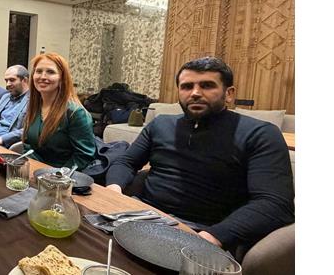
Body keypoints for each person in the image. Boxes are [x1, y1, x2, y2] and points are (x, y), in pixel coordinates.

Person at [105, 57, 294, 253]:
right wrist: (113, 191)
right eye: (187, 87)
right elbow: (126, 162)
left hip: (203, 232)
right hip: (141, 215)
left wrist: (212, 237)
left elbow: (275, 204)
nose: (195, 93)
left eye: (207, 85)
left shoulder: (260, 134)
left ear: (229, 94)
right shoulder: (161, 124)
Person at [21, 53, 98, 169]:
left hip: (63, 176)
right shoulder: (34, 107)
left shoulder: (76, 113)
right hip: (34, 171)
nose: (42, 76)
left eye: (50, 72)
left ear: (62, 78)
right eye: (38, 71)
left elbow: (84, 156)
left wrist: (55, 175)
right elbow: (28, 145)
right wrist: (34, 168)